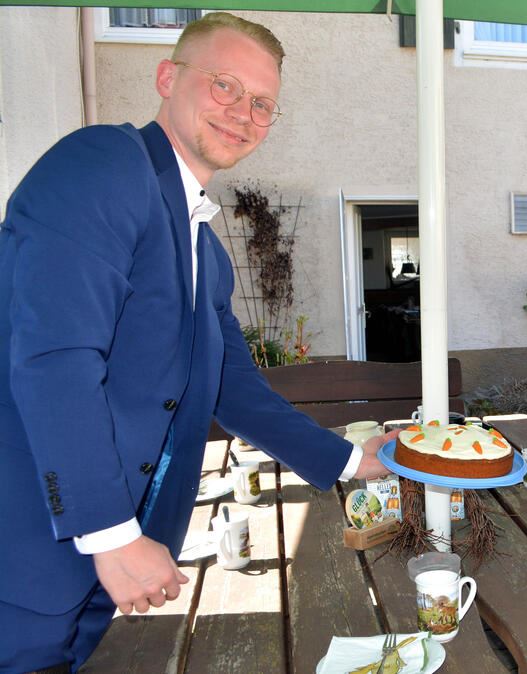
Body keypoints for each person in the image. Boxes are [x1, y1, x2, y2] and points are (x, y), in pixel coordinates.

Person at [0, 13, 392, 672]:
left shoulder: (205, 250)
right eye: (224, 86)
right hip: (29, 549)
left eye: (262, 103)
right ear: (167, 78)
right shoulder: (102, 164)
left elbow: (235, 392)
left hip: (103, 567)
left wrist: (354, 463)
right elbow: (55, 358)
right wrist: (112, 534)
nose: (242, 111)